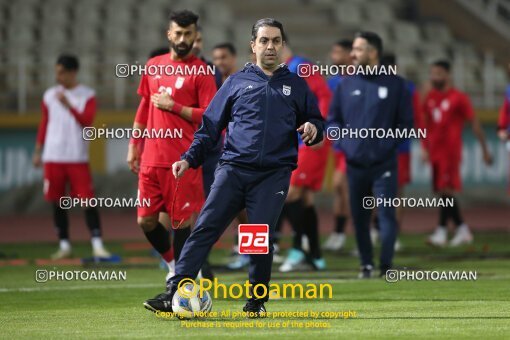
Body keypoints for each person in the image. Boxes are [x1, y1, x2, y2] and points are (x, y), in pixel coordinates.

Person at [143, 18, 324, 317]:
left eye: (276, 41)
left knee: (257, 237)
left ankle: (256, 302)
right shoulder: (235, 83)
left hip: (272, 176)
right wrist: (189, 158)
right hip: (232, 170)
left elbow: (318, 122)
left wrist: (312, 128)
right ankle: (174, 291)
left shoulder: (296, 84)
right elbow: (209, 128)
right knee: (203, 230)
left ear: (281, 45)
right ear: (253, 45)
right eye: (264, 40)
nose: (270, 46)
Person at [126, 10, 216, 282]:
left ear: (195, 36)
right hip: (151, 160)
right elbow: (144, 106)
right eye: (178, 33)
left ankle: (182, 278)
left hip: (182, 161)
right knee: (146, 221)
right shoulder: (154, 65)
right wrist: (134, 145)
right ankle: (175, 266)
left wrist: (174, 107)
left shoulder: (202, 71)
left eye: (188, 34)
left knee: (181, 224)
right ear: (169, 34)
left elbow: (210, 115)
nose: (183, 38)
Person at [329, 31, 413, 278]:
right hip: (355, 164)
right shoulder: (345, 84)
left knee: (386, 214)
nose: (352, 54)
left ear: (373, 52)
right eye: (352, 49)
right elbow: (333, 121)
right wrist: (345, 144)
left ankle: (386, 265)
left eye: (358, 49)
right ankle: (366, 264)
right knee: (359, 217)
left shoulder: (396, 84)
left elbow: (405, 124)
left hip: (384, 163)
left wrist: (385, 146)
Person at [33, 54, 110, 260]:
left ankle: (97, 245)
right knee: (57, 202)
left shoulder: (87, 95)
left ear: (73, 72)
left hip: (77, 157)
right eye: (57, 72)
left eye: (62, 73)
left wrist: (69, 105)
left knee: (88, 201)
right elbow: (44, 123)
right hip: (53, 155)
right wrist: (38, 150)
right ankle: (64, 245)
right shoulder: (49, 95)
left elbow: (87, 121)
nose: (58, 77)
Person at [424, 60, 493, 247]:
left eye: (438, 73)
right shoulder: (429, 97)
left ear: (448, 75)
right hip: (435, 152)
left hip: (450, 152)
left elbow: (474, 123)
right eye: (432, 73)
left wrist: (485, 150)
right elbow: (425, 125)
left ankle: (442, 230)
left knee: (447, 191)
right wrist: (425, 148)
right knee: (442, 192)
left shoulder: (458, 98)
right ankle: (462, 229)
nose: (434, 77)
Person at [277, 44, 332, 272]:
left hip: (309, 141)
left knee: (289, 194)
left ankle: (300, 248)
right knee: (305, 199)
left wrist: (318, 128)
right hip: (295, 142)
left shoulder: (301, 66)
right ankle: (315, 255)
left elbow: (324, 96)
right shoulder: (283, 71)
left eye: (272, 43)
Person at [323, 39, 353, 252]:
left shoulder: (360, 81)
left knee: (349, 189)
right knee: (339, 189)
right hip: (339, 144)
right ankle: (339, 233)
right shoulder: (333, 82)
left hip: (357, 143)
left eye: (338, 52)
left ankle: (365, 234)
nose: (334, 56)